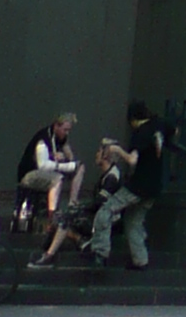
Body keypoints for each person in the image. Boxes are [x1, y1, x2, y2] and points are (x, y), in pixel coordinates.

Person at [87, 102, 165, 270]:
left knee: (106, 211)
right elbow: (174, 131)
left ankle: (100, 254)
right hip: (155, 187)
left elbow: (132, 160)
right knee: (133, 221)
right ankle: (140, 260)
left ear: (133, 120)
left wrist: (117, 150)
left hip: (138, 184)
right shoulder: (160, 125)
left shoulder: (140, 134)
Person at [14, 117, 79, 253]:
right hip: (30, 174)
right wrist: (65, 165)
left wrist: (68, 159)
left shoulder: (60, 138)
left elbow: (71, 156)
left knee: (79, 168)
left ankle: (73, 202)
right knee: (57, 180)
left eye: (69, 130)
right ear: (56, 126)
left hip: (48, 171)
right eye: (65, 129)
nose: (67, 133)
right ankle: (52, 217)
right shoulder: (43, 139)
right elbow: (43, 165)